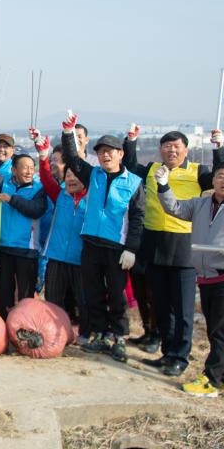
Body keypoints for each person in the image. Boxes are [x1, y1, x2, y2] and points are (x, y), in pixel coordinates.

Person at [156, 160, 224, 397]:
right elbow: (174, 208)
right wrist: (163, 185)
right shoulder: (200, 204)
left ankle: (211, 380)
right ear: (213, 180)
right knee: (218, 331)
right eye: (220, 176)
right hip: (206, 278)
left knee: (221, 332)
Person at [123, 125, 224, 376]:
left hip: (183, 245)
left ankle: (181, 356)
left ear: (186, 150)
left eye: (176, 147)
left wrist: (219, 148)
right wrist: (131, 141)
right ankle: (167, 353)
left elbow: (220, 173)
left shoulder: (198, 172)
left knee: (182, 309)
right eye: (167, 147)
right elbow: (128, 165)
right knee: (161, 305)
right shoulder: (152, 170)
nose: (171, 151)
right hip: (155, 245)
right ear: (160, 150)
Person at [61, 111, 145, 363]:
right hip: (91, 243)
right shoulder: (94, 175)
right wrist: (68, 133)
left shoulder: (133, 182)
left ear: (121, 154)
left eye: (111, 151)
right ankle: (99, 334)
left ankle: (118, 336)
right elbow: (72, 159)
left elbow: (138, 218)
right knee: (94, 292)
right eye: (101, 152)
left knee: (117, 294)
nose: (105, 155)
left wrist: (131, 249)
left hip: (117, 248)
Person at [0, 133, 49, 317]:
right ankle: (4, 324)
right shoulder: (4, 185)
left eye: (31, 168)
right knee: (4, 294)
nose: (28, 171)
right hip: (3, 248)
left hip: (27, 251)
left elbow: (35, 210)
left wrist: (12, 200)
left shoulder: (39, 189)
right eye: (24, 167)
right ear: (14, 170)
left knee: (26, 296)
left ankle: (25, 326)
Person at [35, 133, 89, 340]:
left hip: (80, 258)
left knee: (82, 299)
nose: (72, 178)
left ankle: (85, 332)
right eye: (68, 176)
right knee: (53, 299)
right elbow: (47, 178)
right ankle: (53, 334)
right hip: (56, 256)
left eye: (76, 176)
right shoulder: (60, 196)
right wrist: (42, 157)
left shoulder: (91, 199)